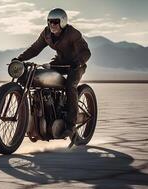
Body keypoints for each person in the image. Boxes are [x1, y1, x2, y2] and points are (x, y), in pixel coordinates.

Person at [13, 8, 91, 138]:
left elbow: (86, 52)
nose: (52, 25)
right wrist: (20, 59)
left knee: (70, 85)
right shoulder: (46, 33)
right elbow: (35, 48)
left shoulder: (73, 33)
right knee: (44, 77)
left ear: (63, 22)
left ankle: (71, 126)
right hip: (59, 63)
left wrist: (78, 62)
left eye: (55, 22)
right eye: (50, 22)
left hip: (76, 65)